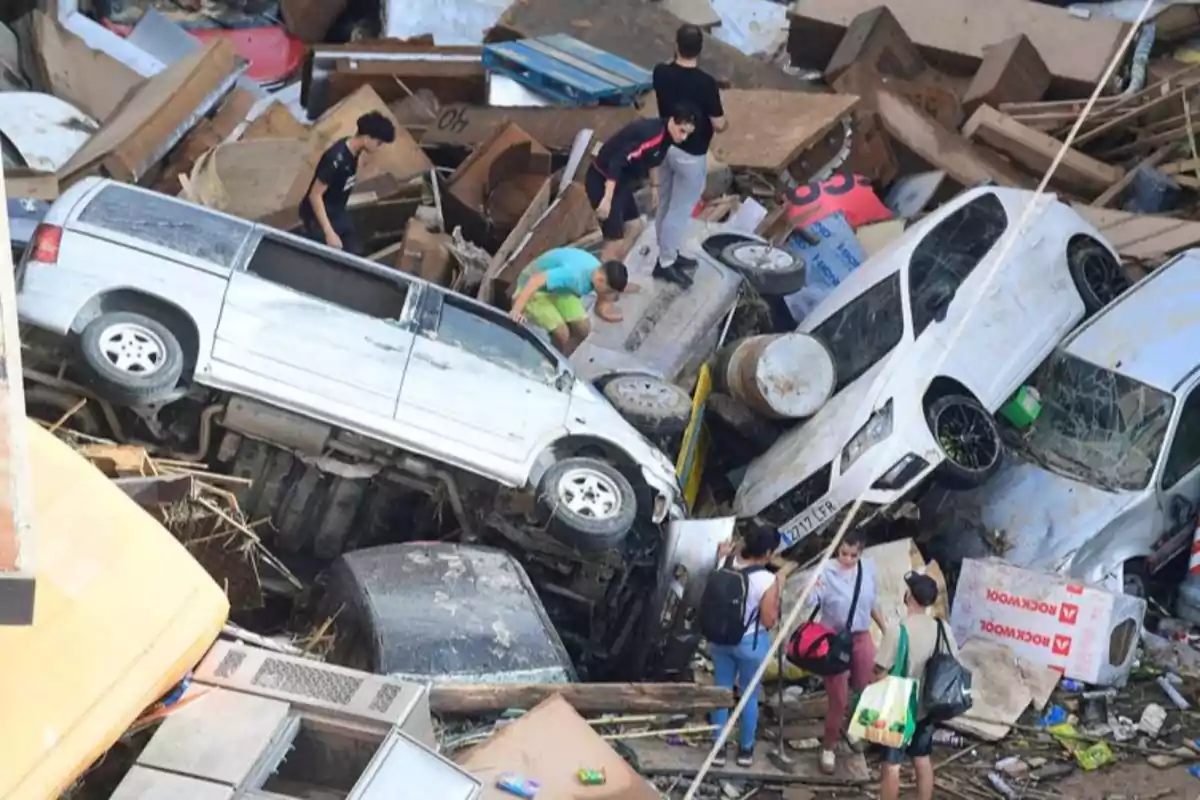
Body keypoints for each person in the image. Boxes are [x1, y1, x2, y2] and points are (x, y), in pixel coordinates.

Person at [584, 107, 698, 281]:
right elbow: (616, 163)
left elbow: (653, 160)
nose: (683, 138)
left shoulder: (667, 137)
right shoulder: (651, 135)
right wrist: (606, 200)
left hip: (621, 183)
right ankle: (600, 285)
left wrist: (655, 187)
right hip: (603, 179)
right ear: (672, 121)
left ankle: (614, 275)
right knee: (614, 240)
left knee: (635, 227)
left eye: (688, 134)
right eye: (682, 131)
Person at [652, 24, 726, 281]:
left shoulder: (660, 73)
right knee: (679, 209)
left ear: (675, 45)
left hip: (664, 146)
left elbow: (667, 65)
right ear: (701, 50)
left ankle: (666, 251)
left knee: (665, 203)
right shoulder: (706, 83)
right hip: (690, 154)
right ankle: (666, 261)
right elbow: (718, 123)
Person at [876, 572, 959, 800]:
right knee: (921, 758)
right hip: (930, 703)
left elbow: (881, 669)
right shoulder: (942, 628)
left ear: (908, 596)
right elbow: (953, 660)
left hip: (900, 707)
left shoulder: (898, 629)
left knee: (891, 766)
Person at [812, 528, 887, 775]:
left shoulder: (867, 569)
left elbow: (871, 602)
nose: (847, 559)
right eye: (844, 553)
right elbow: (812, 598)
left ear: (860, 553)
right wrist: (812, 588)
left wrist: (885, 628)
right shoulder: (827, 571)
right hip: (833, 640)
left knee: (865, 686)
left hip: (861, 634)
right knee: (838, 699)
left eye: (853, 555)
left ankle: (854, 729)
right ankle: (829, 747)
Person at [708, 525, 782, 768]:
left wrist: (722, 554)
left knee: (721, 692)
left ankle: (718, 749)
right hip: (750, 644)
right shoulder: (768, 580)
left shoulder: (725, 563)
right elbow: (769, 620)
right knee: (748, 695)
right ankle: (745, 750)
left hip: (719, 640)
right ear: (769, 551)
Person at [299, 112, 396, 255]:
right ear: (367, 138)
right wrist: (329, 232)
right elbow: (315, 195)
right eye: (378, 143)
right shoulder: (335, 159)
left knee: (355, 249)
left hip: (337, 211)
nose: (378, 147)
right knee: (333, 253)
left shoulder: (354, 151)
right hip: (319, 215)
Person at [508, 247, 629, 356]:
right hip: (534, 290)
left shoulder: (598, 271)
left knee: (583, 329)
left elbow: (603, 294)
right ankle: (547, 360)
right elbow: (535, 280)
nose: (610, 296)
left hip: (562, 290)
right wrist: (516, 311)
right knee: (562, 333)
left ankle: (561, 356)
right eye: (609, 292)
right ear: (600, 280)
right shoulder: (572, 274)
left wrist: (602, 308)